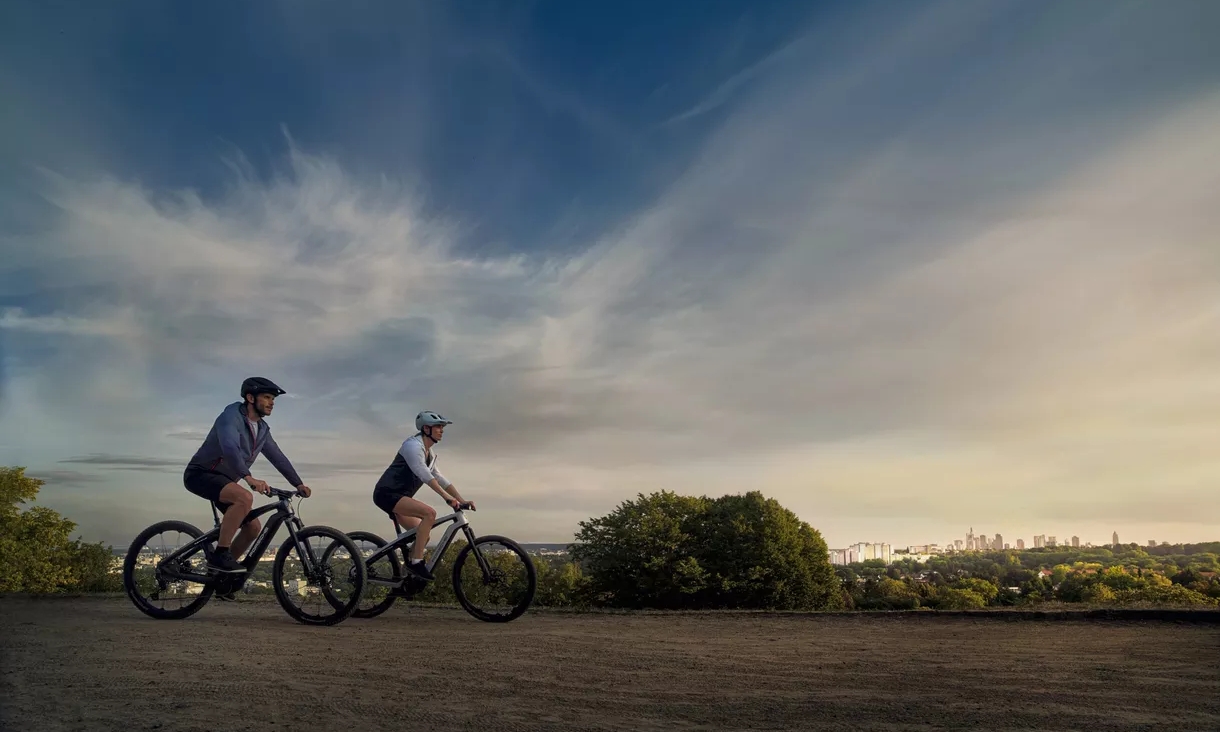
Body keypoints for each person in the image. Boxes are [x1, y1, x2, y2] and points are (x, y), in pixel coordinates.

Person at [183, 377, 311, 585]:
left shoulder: (262, 429)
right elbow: (230, 448)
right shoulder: (231, 416)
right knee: (244, 497)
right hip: (201, 474)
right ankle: (220, 555)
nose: (272, 403)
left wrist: (298, 483)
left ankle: (221, 579)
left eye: (273, 399)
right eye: (267, 397)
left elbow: (278, 457)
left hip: (226, 480)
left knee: (252, 528)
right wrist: (248, 477)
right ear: (250, 398)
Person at [372, 410, 473, 581]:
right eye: (438, 427)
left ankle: (406, 578)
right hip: (387, 494)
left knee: (422, 535)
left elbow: (441, 479)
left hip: (401, 498)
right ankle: (417, 563)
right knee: (429, 514)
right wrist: (446, 498)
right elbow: (425, 475)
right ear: (426, 429)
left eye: (442, 427)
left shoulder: (429, 454)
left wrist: (461, 500)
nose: (442, 430)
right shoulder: (413, 446)